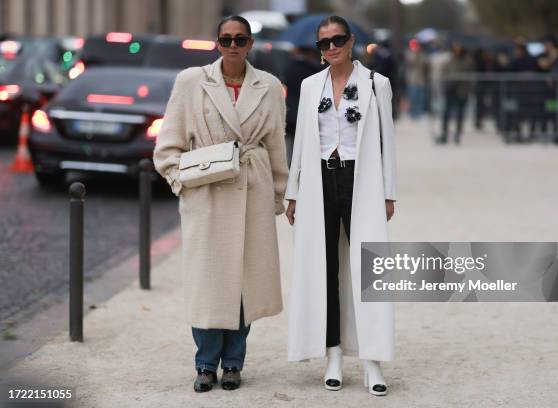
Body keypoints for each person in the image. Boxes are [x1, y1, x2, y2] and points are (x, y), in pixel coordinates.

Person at [152, 15, 288, 393]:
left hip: (252, 192)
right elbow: (168, 145)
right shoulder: (192, 81)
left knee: (246, 283)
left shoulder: (269, 86)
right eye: (226, 39)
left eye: (240, 39)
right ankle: (205, 364)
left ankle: (233, 363)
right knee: (208, 283)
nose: (232, 45)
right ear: (216, 42)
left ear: (250, 44)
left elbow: (276, 145)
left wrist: (279, 193)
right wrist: (182, 182)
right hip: (207, 194)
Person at [284, 15, 396, 396]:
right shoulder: (309, 85)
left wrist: (388, 192)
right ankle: (332, 353)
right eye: (324, 43)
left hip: (361, 181)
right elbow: (299, 140)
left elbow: (387, 143)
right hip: (318, 181)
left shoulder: (376, 84)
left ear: (351, 41)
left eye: (338, 40)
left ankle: (372, 360)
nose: (331, 47)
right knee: (324, 268)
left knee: (368, 266)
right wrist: (293, 191)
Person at [284, 47, 321, 166]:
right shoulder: (313, 69)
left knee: (290, 144)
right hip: (306, 111)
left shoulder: (289, 67)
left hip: (290, 110)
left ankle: (290, 166)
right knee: (303, 144)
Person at [437, 41, 473, 144]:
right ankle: (444, 134)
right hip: (450, 90)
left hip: (461, 91)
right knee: (446, 113)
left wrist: (454, 78)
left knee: (460, 114)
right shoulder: (450, 60)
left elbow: (462, 71)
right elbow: (445, 71)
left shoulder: (467, 60)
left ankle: (457, 134)